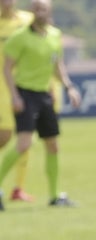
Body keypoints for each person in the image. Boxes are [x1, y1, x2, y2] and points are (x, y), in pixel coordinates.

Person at [0, 0, 79, 211]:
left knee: (52, 145)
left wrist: (68, 86)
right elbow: (7, 68)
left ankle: (55, 195)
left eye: (43, 9)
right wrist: (15, 96)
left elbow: (57, 65)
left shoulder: (54, 35)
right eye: (35, 8)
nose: (39, 12)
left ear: (49, 12)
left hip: (45, 94)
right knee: (24, 143)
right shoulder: (20, 38)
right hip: (25, 93)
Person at [0, 0, 36, 209]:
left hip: (25, 84)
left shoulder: (27, 20)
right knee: (4, 136)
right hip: (2, 87)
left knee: (26, 135)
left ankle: (18, 188)